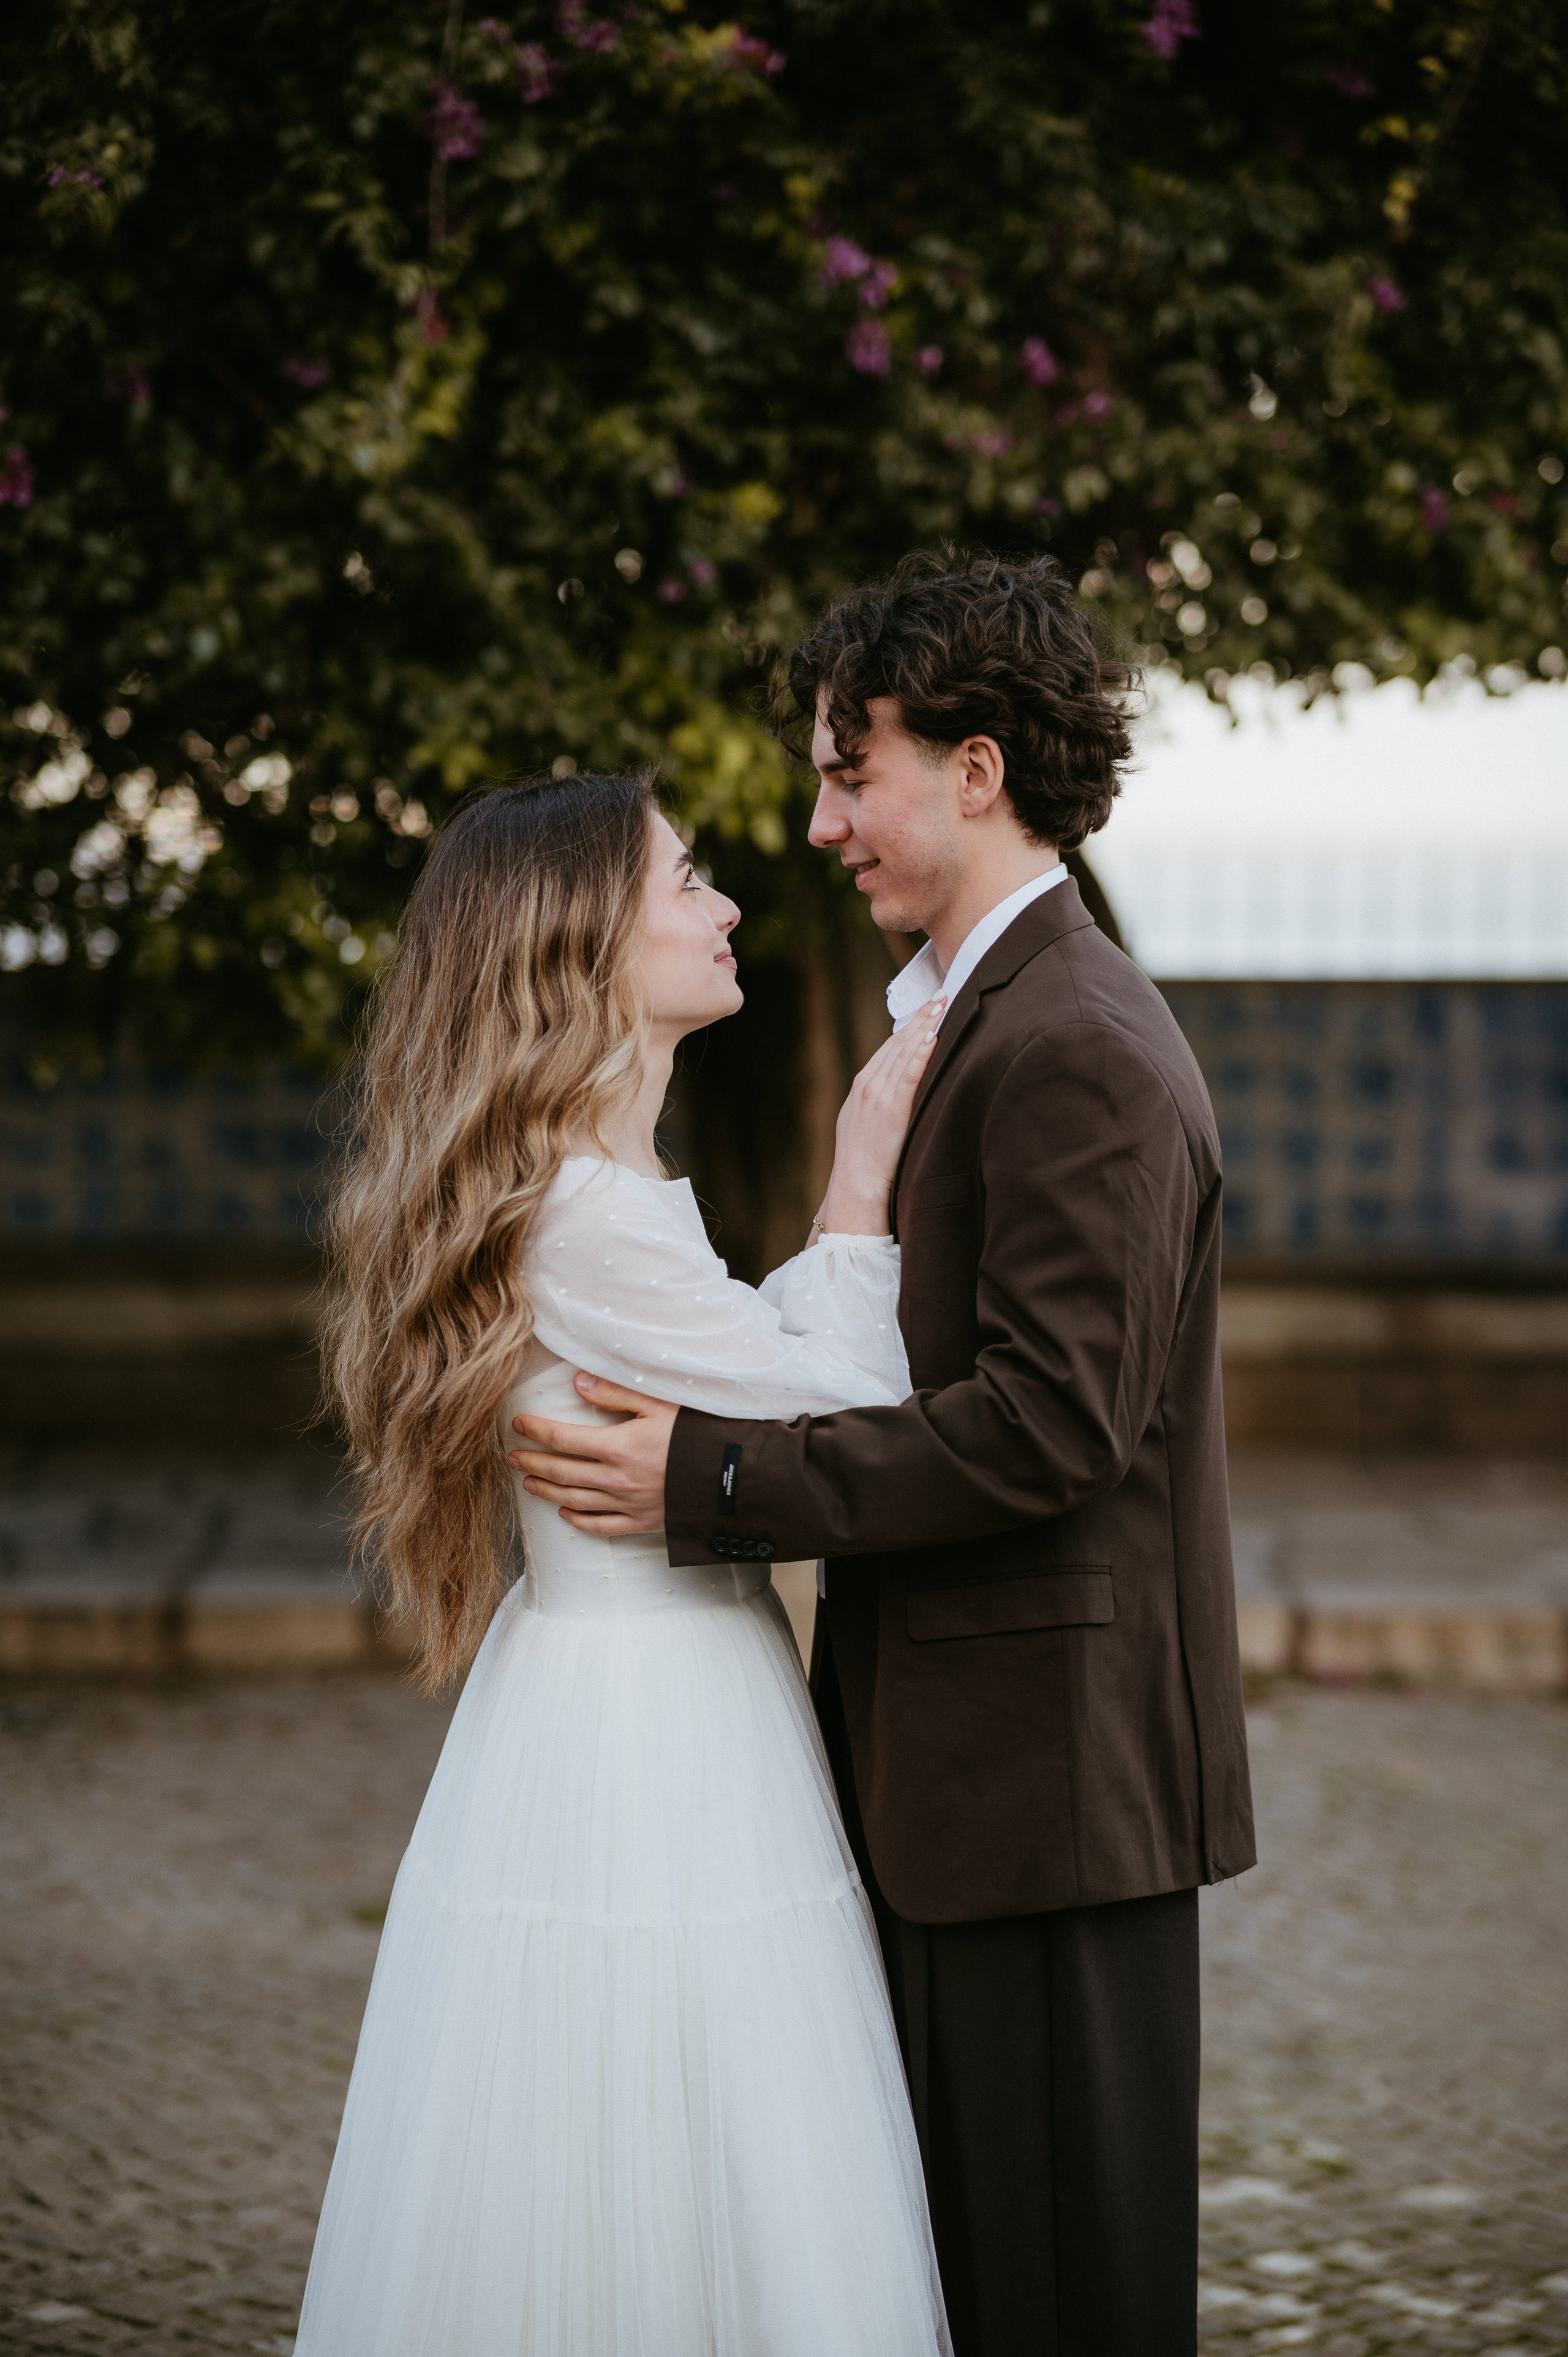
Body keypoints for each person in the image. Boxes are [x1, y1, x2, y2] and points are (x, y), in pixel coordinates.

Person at [509, 552, 1258, 2357]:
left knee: (1058, 2292)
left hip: (1047, 1802)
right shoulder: (968, 1024)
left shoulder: (1073, 1041)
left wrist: (714, 1486)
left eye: (854, 771)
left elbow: (1052, 1424)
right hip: (959, 1788)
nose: (821, 820)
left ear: (975, 771)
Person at [295, 772, 954, 2356]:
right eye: (689, 882)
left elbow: (761, 1367)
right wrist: (865, 1169)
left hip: (611, 1687)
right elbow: (848, 1397)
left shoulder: (590, 1194)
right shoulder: (589, 1216)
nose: (728, 906)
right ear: (580, 943)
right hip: (656, 1722)